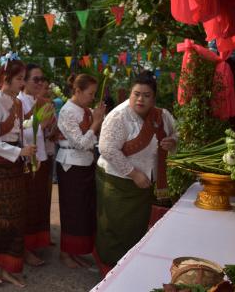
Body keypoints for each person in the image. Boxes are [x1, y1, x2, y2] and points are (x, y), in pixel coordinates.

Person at [95, 70, 177, 269]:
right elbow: (107, 149)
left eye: (146, 95)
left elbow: (177, 132)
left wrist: (172, 141)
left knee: (136, 227)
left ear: (154, 98)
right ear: (130, 93)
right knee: (114, 227)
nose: (140, 99)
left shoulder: (162, 115)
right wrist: (134, 173)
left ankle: (130, 267)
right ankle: (109, 271)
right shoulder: (118, 116)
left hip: (145, 183)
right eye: (136, 94)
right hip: (117, 181)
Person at [0, 58, 37, 287]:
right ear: (6, 79)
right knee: (5, 218)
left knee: (18, 216)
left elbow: (18, 134)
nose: (22, 83)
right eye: (20, 79)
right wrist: (19, 150)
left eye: (24, 78)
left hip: (15, 164)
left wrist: (26, 153)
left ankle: (10, 267)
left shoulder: (16, 104)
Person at [56, 74, 105, 268]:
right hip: (70, 166)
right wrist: (96, 122)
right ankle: (65, 253)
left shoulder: (86, 110)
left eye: (94, 93)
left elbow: (93, 140)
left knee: (84, 211)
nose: (92, 97)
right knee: (72, 211)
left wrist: (98, 119)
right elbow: (82, 143)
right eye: (90, 93)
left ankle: (76, 250)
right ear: (77, 91)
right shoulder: (67, 111)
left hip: (86, 164)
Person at [18, 63, 53, 266]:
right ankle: (25, 248)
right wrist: (40, 123)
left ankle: (38, 241)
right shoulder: (19, 103)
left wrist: (48, 127)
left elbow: (43, 133)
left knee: (40, 202)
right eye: (35, 79)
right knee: (28, 205)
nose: (40, 83)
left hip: (41, 156)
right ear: (24, 81)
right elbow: (19, 133)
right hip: (26, 160)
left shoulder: (41, 101)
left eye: (42, 79)